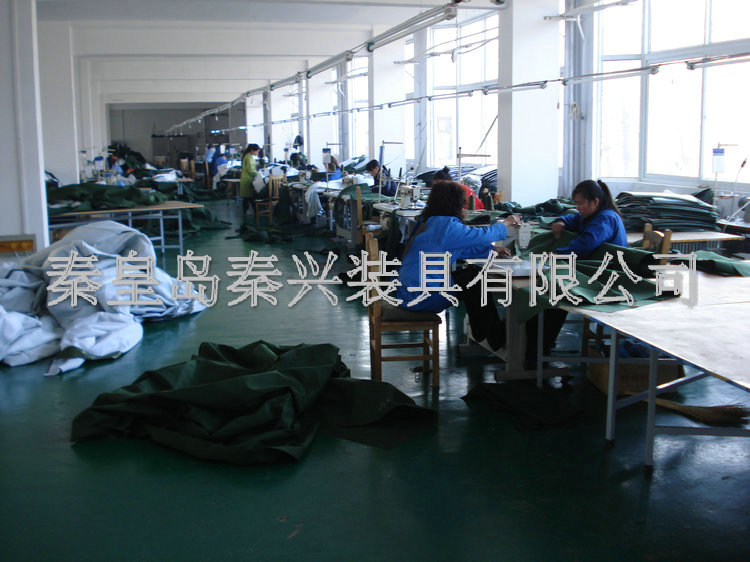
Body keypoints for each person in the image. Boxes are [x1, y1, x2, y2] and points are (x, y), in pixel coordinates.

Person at [396, 179, 521, 352]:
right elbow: (483, 235)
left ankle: (482, 334)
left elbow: (458, 248)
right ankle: (496, 337)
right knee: (474, 280)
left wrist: (492, 250)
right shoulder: (447, 227)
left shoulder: (431, 223)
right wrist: (505, 224)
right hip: (422, 296)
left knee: (470, 276)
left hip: (407, 292)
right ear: (455, 204)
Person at [524, 178, 627, 368]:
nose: (578, 208)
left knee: (553, 299)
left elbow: (586, 244)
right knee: (546, 296)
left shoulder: (606, 219)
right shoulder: (592, 215)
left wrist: (557, 254)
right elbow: (574, 218)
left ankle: (537, 353)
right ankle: (536, 350)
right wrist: (561, 221)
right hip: (592, 272)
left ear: (595, 201)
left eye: (580, 204)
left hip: (607, 279)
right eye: (576, 204)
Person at [239, 143, 261, 214]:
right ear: (252, 150)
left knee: (247, 197)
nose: (257, 153)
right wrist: (259, 174)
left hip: (246, 178)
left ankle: (246, 211)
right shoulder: (249, 158)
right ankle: (256, 211)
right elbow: (251, 170)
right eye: (257, 151)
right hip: (248, 179)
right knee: (250, 197)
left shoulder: (247, 156)